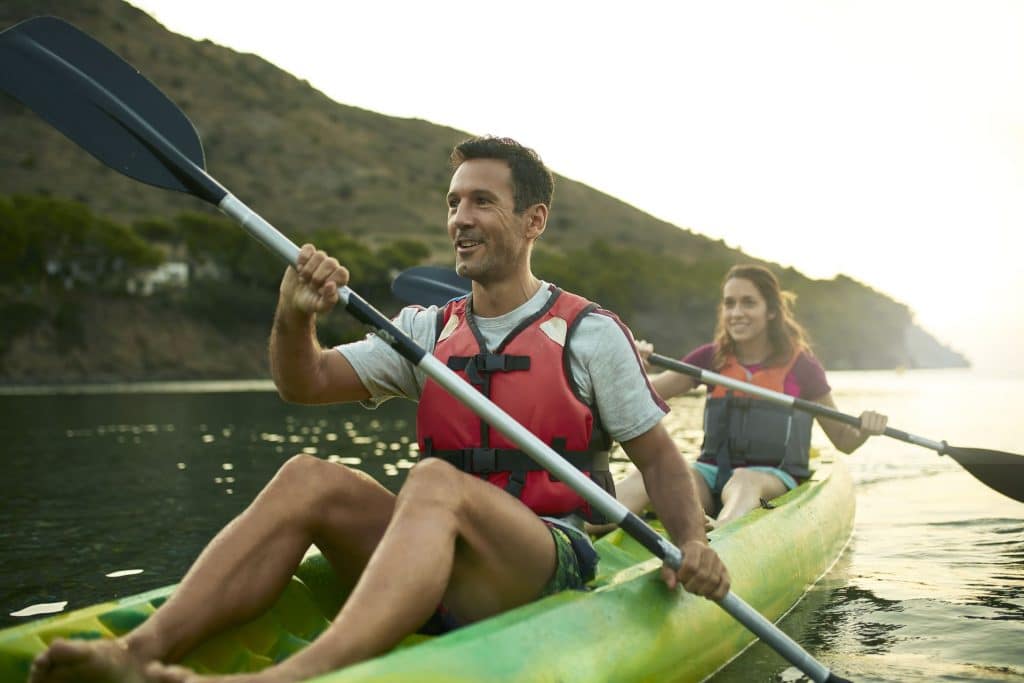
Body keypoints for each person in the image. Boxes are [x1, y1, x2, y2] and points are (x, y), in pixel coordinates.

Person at [29, 136, 729, 683]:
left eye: (482, 202)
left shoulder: (588, 331)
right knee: (309, 474)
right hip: (438, 551)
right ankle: (138, 650)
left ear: (533, 218)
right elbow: (305, 382)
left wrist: (693, 541)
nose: (460, 218)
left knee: (428, 481)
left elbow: (660, 460)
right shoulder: (426, 330)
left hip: (544, 554)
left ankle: (299, 671)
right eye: (453, 202)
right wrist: (293, 315)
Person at [610, 264, 888, 531]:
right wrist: (633, 365)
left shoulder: (802, 366)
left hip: (770, 479)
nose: (736, 312)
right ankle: (579, 524)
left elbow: (843, 440)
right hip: (710, 475)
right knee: (655, 476)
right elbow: (644, 394)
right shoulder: (711, 358)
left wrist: (865, 428)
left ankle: (720, 534)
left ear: (771, 311)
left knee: (744, 480)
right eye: (729, 303)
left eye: (748, 303)